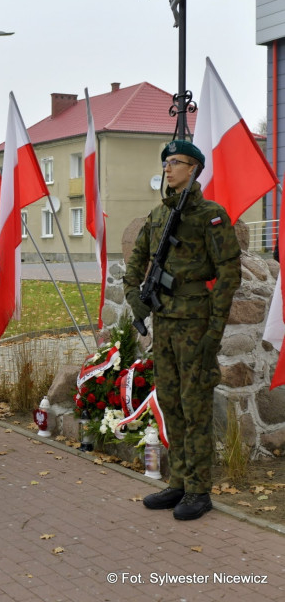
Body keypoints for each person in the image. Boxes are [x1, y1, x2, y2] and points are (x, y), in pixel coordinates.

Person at [124, 140, 241, 521]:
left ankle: (199, 491)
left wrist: (214, 333)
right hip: (164, 321)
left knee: (196, 408)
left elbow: (229, 275)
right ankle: (178, 481)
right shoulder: (159, 215)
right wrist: (135, 299)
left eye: (175, 162)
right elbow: (136, 259)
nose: (167, 167)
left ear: (193, 169)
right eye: (165, 161)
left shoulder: (211, 215)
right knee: (171, 403)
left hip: (195, 322)